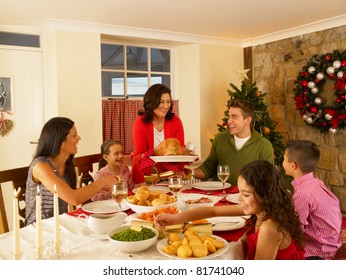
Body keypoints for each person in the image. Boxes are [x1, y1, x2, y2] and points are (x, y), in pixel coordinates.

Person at [156, 160, 306, 260]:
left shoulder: (270, 227)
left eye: (245, 194)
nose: (239, 198)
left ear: (264, 195)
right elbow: (212, 211)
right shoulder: (264, 209)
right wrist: (174, 219)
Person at [25, 117, 117, 226]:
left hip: (60, 224)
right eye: (74, 135)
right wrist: (103, 181)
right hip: (39, 229)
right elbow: (74, 198)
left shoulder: (67, 163)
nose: (79, 138)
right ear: (60, 141)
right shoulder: (41, 166)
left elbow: (74, 194)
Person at [283, 140, 342, 260]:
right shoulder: (314, 181)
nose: (282, 162)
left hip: (318, 252)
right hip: (331, 243)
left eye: (284, 159)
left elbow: (295, 229)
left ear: (293, 165)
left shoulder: (302, 194)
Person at [193, 99, 274, 186]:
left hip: (247, 198)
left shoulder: (263, 145)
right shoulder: (220, 139)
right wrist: (188, 173)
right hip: (220, 195)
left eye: (234, 117)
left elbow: (268, 180)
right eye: (229, 116)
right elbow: (208, 168)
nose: (229, 121)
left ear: (247, 120)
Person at [132, 83, 185, 184]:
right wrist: (147, 158)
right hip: (145, 176)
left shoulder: (176, 121)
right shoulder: (140, 123)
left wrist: (178, 170)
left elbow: (179, 150)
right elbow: (139, 154)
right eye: (161, 102)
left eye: (168, 102)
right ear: (152, 102)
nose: (166, 106)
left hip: (170, 176)